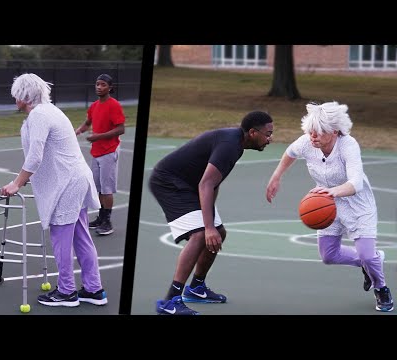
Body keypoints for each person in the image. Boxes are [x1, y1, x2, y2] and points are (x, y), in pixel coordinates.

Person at [266, 101, 393, 312]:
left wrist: (332, 192)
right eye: (310, 131)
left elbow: (356, 183)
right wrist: (276, 177)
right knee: (328, 256)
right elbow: (290, 152)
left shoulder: (348, 145)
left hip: (357, 205)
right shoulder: (307, 142)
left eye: (318, 132)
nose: (313, 136)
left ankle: (381, 288)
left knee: (367, 254)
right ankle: (369, 261)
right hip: (327, 204)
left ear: (334, 131)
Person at [149, 111, 274, 315]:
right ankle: (170, 301)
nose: (270, 139)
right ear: (252, 132)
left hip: (189, 185)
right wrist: (207, 227)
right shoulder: (229, 146)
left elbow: (213, 184)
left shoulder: (237, 145)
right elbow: (206, 184)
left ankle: (197, 288)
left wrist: (212, 222)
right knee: (200, 236)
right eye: (268, 134)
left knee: (219, 233)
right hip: (168, 182)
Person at [0, 73, 108, 308]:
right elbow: (43, 155)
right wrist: (24, 179)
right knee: (81, 236)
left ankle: (67, 291)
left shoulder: (39, 114)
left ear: (24, 95)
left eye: (16, 94)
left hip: (67, 183)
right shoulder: (49, 111)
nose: (14, 98)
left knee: (60, 239)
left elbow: (35, 156)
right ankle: (93, 289)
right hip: (74, 179)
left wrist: (17, 183)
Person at [74, 74, 125, 236]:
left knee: (106, 189)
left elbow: (120, 129)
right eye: (97, 84)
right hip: (96, 152)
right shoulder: (94, 105)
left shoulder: (114, 105)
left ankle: (107, 222)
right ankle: (101, 217)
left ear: (110, 87)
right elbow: (88, 122)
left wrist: (98, 136)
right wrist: (78, 131)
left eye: (103, 85)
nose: (99, 87)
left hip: (109, 151)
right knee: (97, 187)